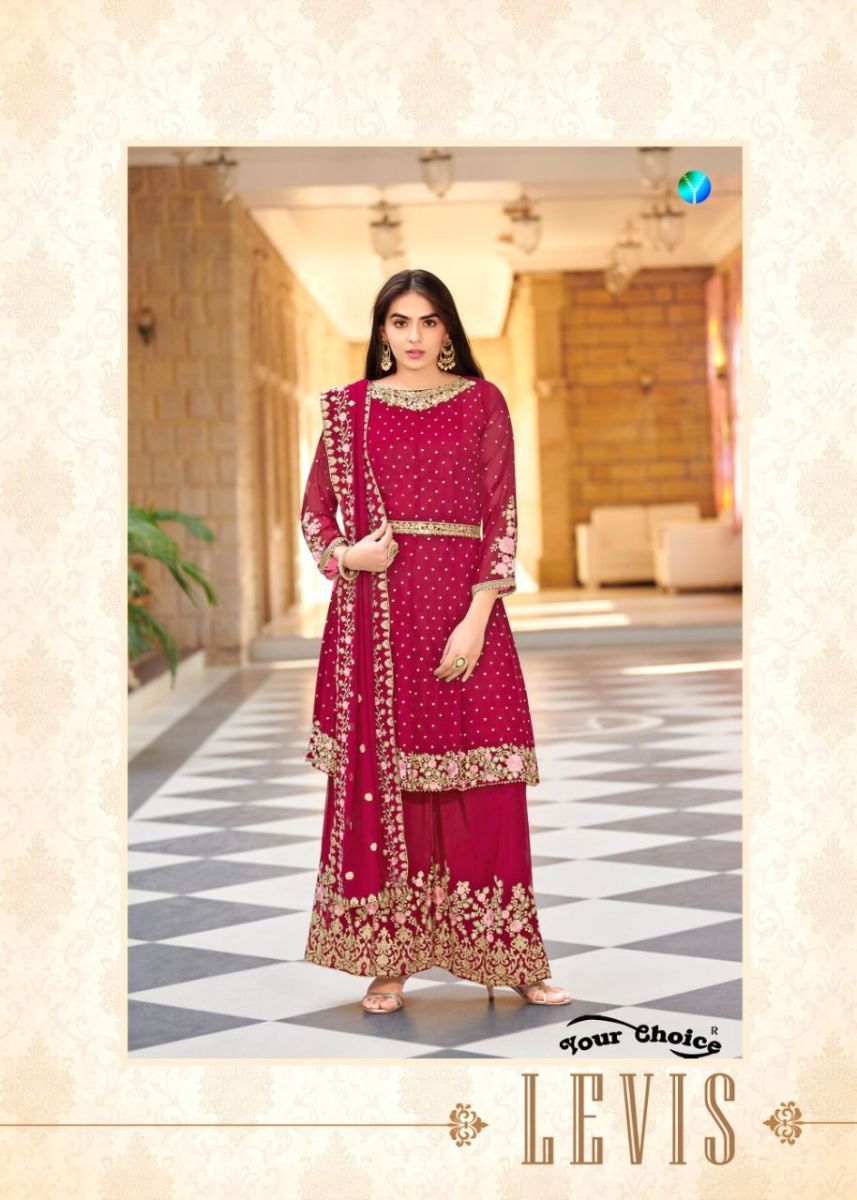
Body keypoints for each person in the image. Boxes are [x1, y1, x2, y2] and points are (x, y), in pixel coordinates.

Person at [299, 267, 572, 1015]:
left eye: (427, 321)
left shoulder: (483, 401)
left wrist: (478, 615)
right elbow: (315, 513)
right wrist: (348, 558)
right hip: (378, 617)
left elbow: (501, 513)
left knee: (488, 781)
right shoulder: (351, 411)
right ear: (382, 331)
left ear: (447, 328)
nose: (413, 337)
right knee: (390, 782)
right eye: (399, 322)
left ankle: (512, 955)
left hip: (463, 605)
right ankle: (388, 961)